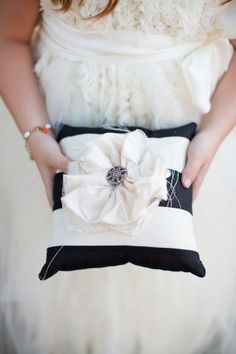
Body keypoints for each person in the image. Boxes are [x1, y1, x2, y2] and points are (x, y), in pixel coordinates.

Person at [0, 0, 236, 353]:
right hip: (61, 123)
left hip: (183, 133)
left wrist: (212, 135)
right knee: (71, 300)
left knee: (167, 300)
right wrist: (36, 136)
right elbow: (8, 38)